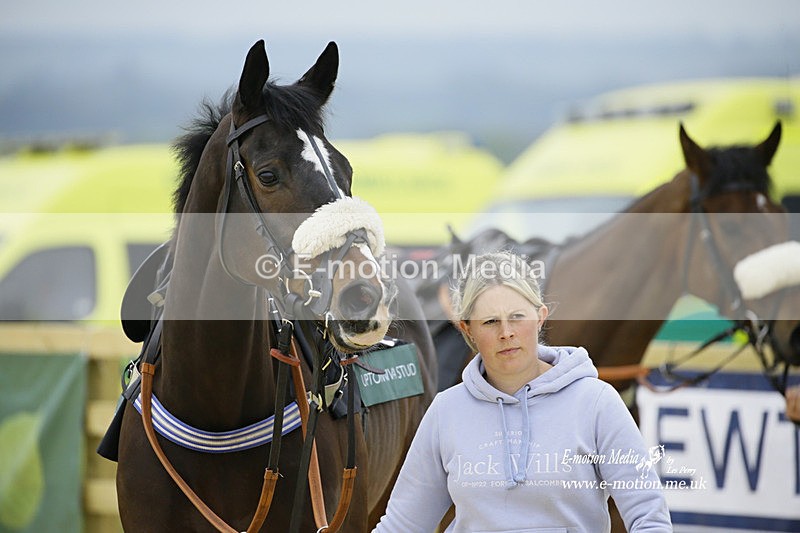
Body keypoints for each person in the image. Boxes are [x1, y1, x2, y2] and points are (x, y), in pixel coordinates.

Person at [374, 251, 672, 532]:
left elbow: (649, 517)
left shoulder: (596, 402)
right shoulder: (445, 411)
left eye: (517, 317)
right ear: (467, 329)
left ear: (540, 316)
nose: (506, 333)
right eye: (490, 321)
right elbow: (402, 525)